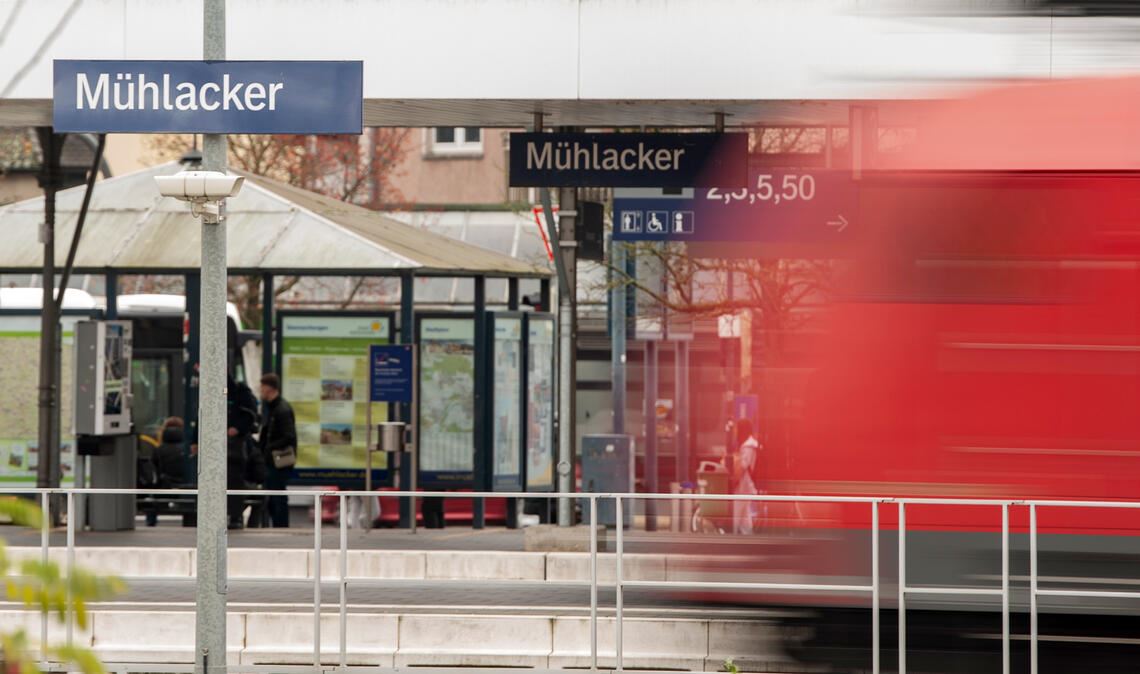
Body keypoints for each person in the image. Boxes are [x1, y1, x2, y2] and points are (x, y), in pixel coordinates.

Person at [256, 373, 296, 528]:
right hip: (273, 460)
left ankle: (281, 526)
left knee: (278, 495)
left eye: (262, 387)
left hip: (278, 461)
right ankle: (279, 525)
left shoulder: (281, 410)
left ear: (269, 388)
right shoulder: (274, 408)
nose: (260, 390)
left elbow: (288, 436)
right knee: (274, 496)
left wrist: (268, 447)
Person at [227, 373, 260, 530]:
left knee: (234, 481)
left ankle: (235, 517)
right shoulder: (211, 391)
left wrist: (237, 429)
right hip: (229, 448)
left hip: (234, 448)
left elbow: (250, 415)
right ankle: (232, 516)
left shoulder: (240, 392)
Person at [731, 418, 760, 535]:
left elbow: (742, 466)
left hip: (744, 485)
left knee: (737, 513)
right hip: (746, 485)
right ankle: (748, 537)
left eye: (736, 429)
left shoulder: (748, 446)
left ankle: (732, 537)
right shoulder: (751, 445)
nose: (735, 431)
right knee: (744, 515)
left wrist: (735, 480)